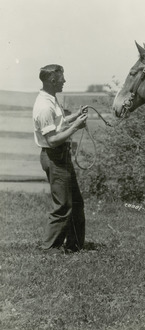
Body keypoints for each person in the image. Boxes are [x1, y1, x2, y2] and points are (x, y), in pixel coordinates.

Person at [32, 64, 88, 254]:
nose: (65, 81)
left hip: (61, 157)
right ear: (52, 80)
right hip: (54, 157)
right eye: (62, 78)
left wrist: (75, 117)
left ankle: (75, 245)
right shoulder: (44, 106)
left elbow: (59, 124)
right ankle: (50, 248)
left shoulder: (51, 100)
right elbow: (52, 139)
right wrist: (76, 127)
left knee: (76, 202)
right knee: (63, 204)